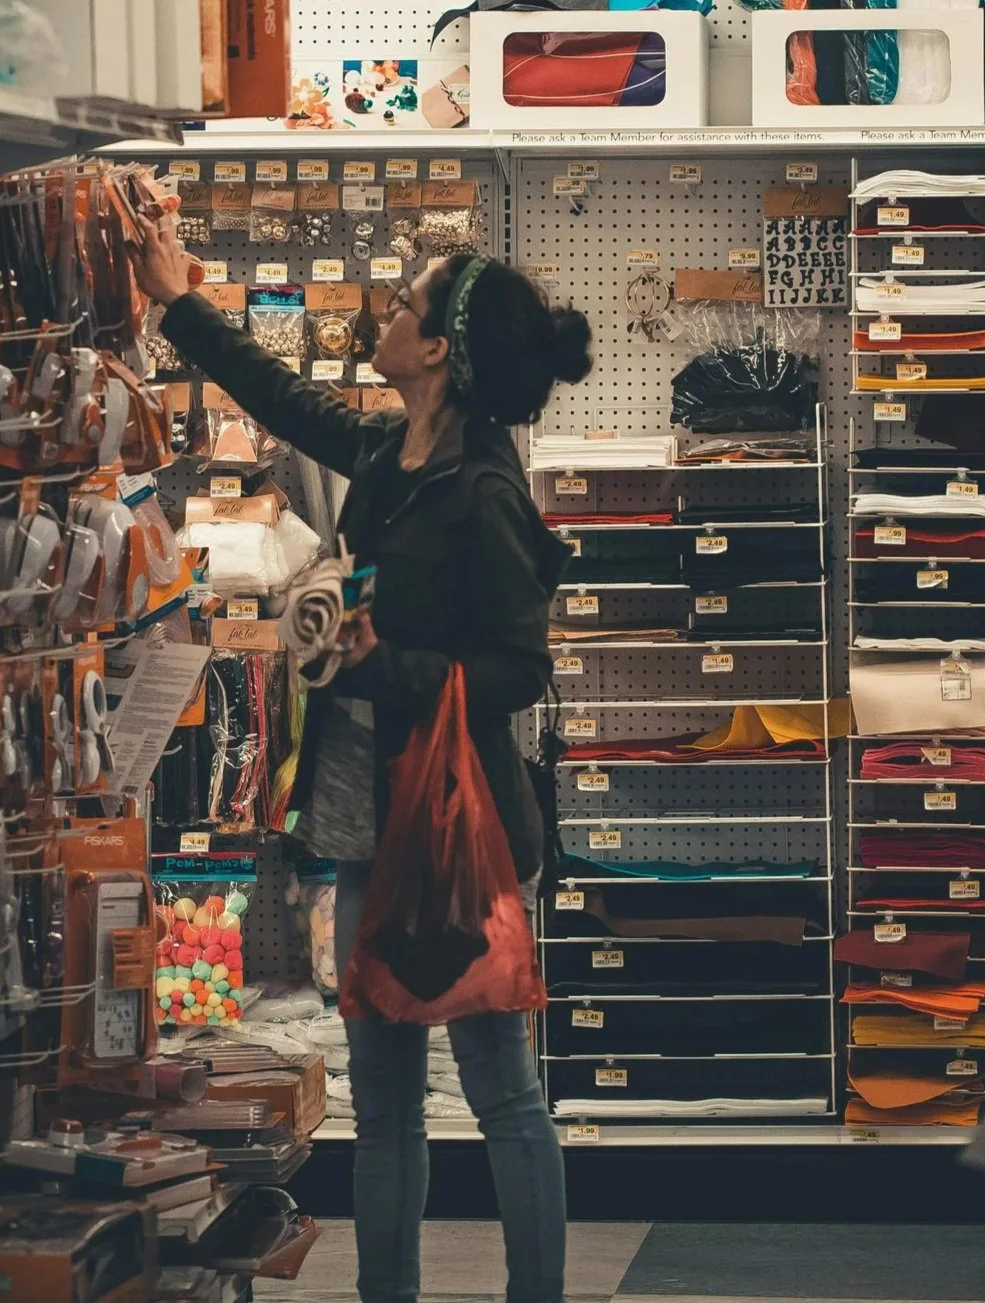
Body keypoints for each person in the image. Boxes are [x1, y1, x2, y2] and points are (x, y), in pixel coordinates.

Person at [131, 217, 592, 1303]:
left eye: (405, 305)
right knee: (381, 1104)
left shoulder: (482, 491)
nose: (385, 314)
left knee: (502, 1093)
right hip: (363, 821)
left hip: (462, 830)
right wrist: (176, 301)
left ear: (437, 351)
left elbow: (519, 669)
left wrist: (386, 661)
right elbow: (291, 403)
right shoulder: (395, 455)